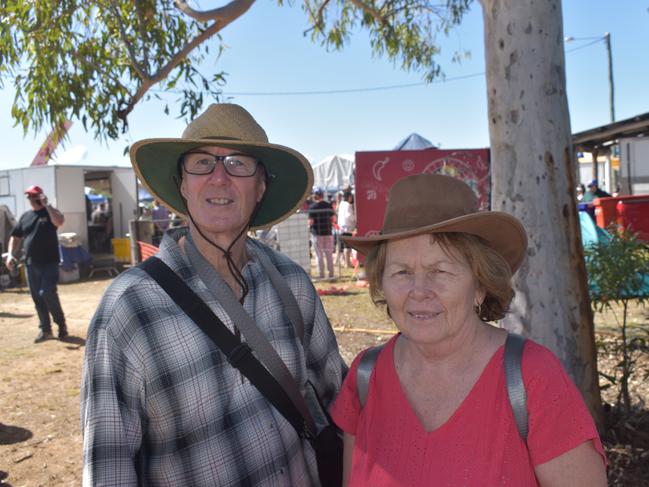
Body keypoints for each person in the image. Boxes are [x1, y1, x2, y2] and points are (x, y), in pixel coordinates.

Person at [81, 103, 346, 486]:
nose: (219, 178)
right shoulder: (129, 310)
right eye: (202, 163)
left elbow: (341, 401)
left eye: (238, 163)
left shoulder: (293, 285)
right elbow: (109, 469)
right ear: (183, 184)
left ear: (261, 187)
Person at [331, 174, 607, 486]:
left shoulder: (532, 378)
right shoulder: (367, 375)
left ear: (480, 286)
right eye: (402, 272)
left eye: (441, 271)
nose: (419, 290)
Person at [4, 185, 68, 342]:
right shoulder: (26, 216)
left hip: (50, 262)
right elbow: (16, 236)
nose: (30, 199)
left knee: (47, 292)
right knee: (37, 298)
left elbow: (59, 222)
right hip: (31, 263)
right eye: (28, 197)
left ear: (40, 196)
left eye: (33, 196)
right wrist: (10, 254)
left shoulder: (49, 212)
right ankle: (45, 330)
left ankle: (61, 325)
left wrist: (47, 205)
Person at [308, 188, 335, 279]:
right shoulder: (328, 205)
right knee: (329, 255)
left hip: (317, 233)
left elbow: (311, 222)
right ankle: (331, 274)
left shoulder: (312, 207)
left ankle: (321, 275)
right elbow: (333, 219)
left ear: (315, 195)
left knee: (319, 255)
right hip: (328, 232)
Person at [336, 190, 356, 268]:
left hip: (341, 226)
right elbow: (349, 216)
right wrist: (355, 219)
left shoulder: (341, 203)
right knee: (347, 246)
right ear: (349, 197)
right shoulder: (347, 205)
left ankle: (344, 262)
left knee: (342, 246)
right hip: (347, 227)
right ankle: (347, 263)